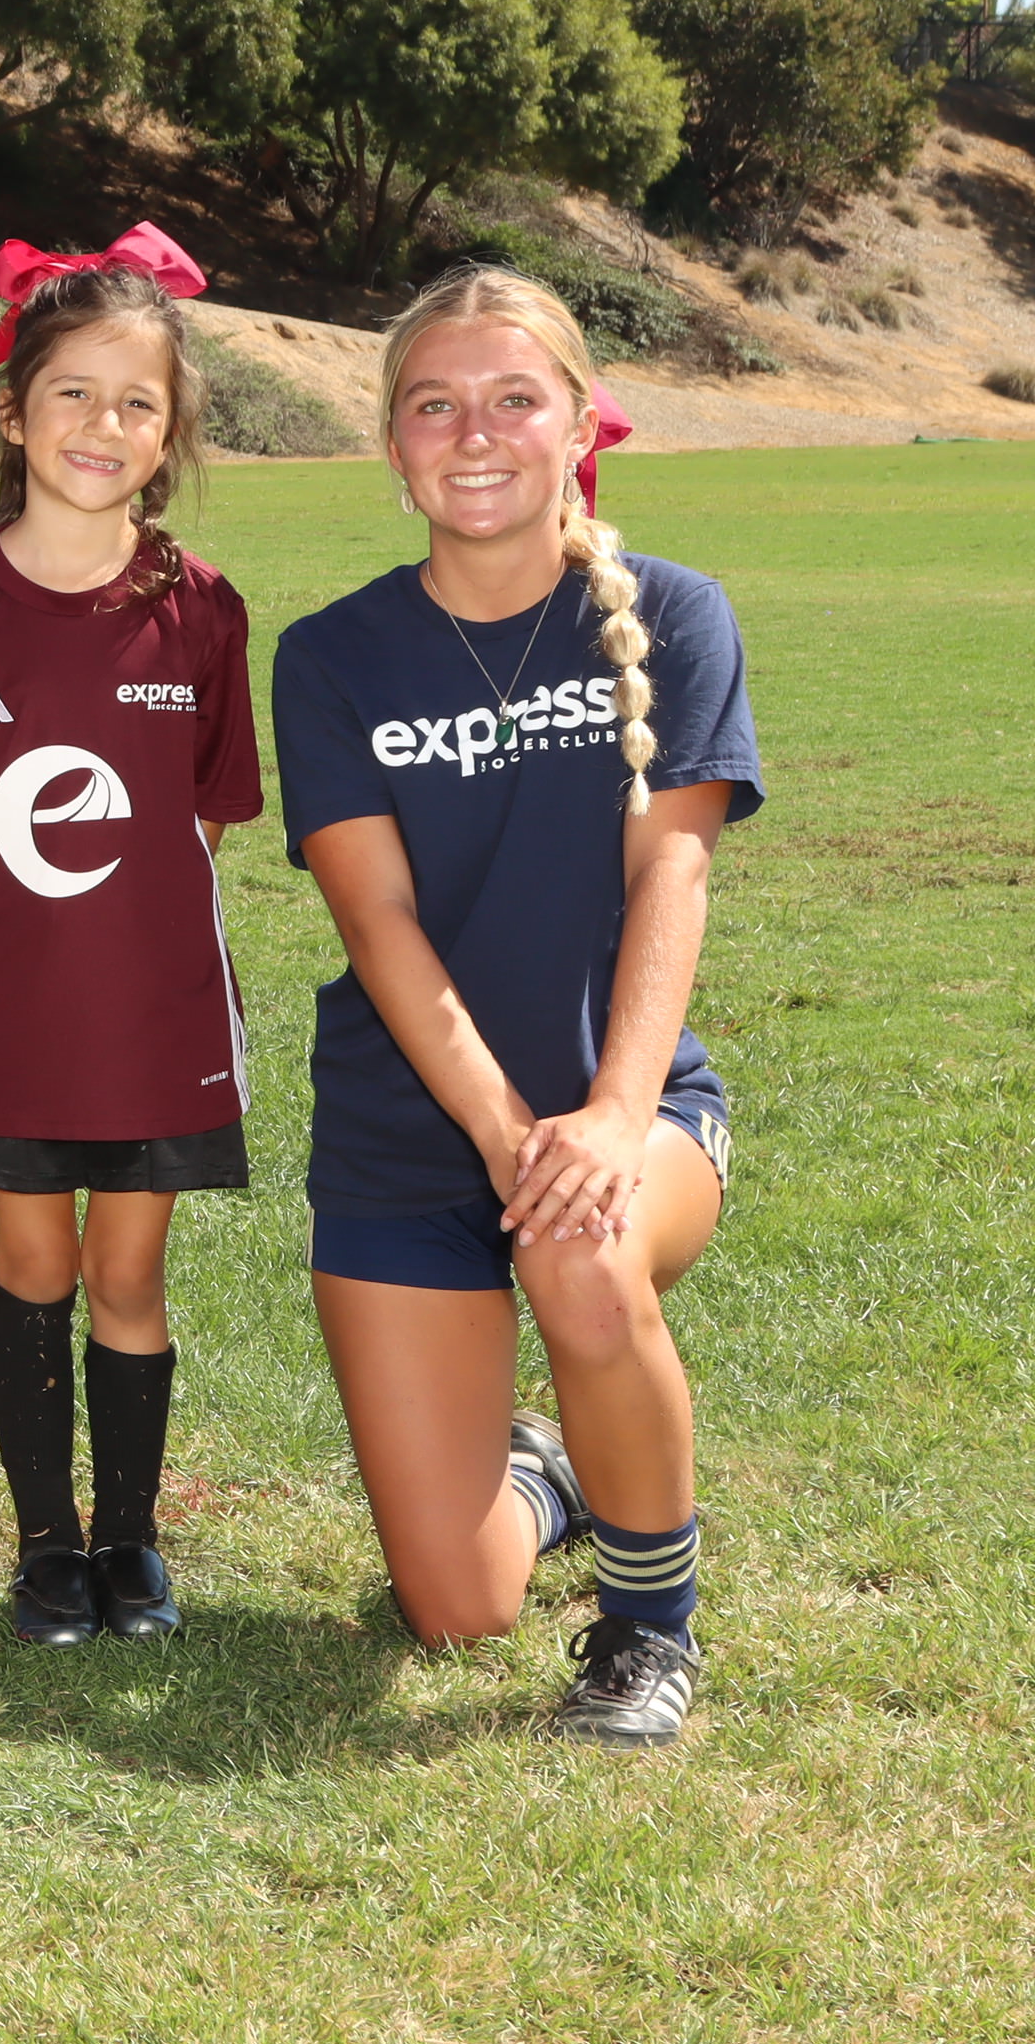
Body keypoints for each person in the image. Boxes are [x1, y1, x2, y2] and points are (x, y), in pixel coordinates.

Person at [271, 264, 762, 1747]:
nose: (473, 433)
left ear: (580, 425)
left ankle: (647, 1629)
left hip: (631, 1111)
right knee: (456, 1605)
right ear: (393, 442)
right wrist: (501, 1137)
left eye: (512, 399)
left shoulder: (675, 614)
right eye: (434, 405)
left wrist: (607, 1119)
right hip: (408, 1140)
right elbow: (379, 921)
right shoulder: (332, 654)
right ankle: (548, 1474)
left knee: (578, 1251)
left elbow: (672, 875)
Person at [0, 229, 259, 1644]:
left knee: (130, 1274)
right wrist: (31, 926)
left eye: (137, 402)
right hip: (22, 1010)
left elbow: (205, 815)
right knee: (34, 1262)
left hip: (158, 1011)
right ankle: (48, 1548)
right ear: (13, 413)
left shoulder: (201, 608)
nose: (103, 425)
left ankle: (132, 1543)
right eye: (74, 394)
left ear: (169, 434)